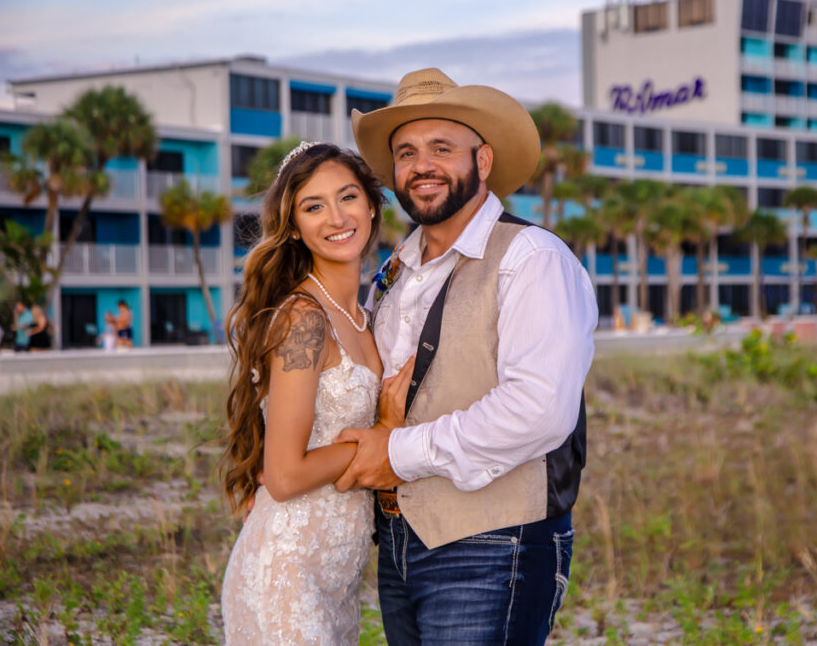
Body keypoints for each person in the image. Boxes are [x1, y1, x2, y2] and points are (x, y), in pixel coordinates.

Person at [335, 68, 598, 644]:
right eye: (406, 152)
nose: (421, 164)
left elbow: (540, 410)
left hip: (495, 543)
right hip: (399, 545)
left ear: (482, 161)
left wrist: (398, 453)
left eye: (441, 148)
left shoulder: (531, 257)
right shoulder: (393, 275)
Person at [220, 142, 413, 644]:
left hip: (337, 579)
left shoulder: (367, 319)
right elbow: (283, 476)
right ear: (295, 226)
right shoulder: (304, 319)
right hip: (286, 574)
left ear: (372, 205)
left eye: (347, 197)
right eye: (313, 206)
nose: (336, 217)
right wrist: (381, 437)